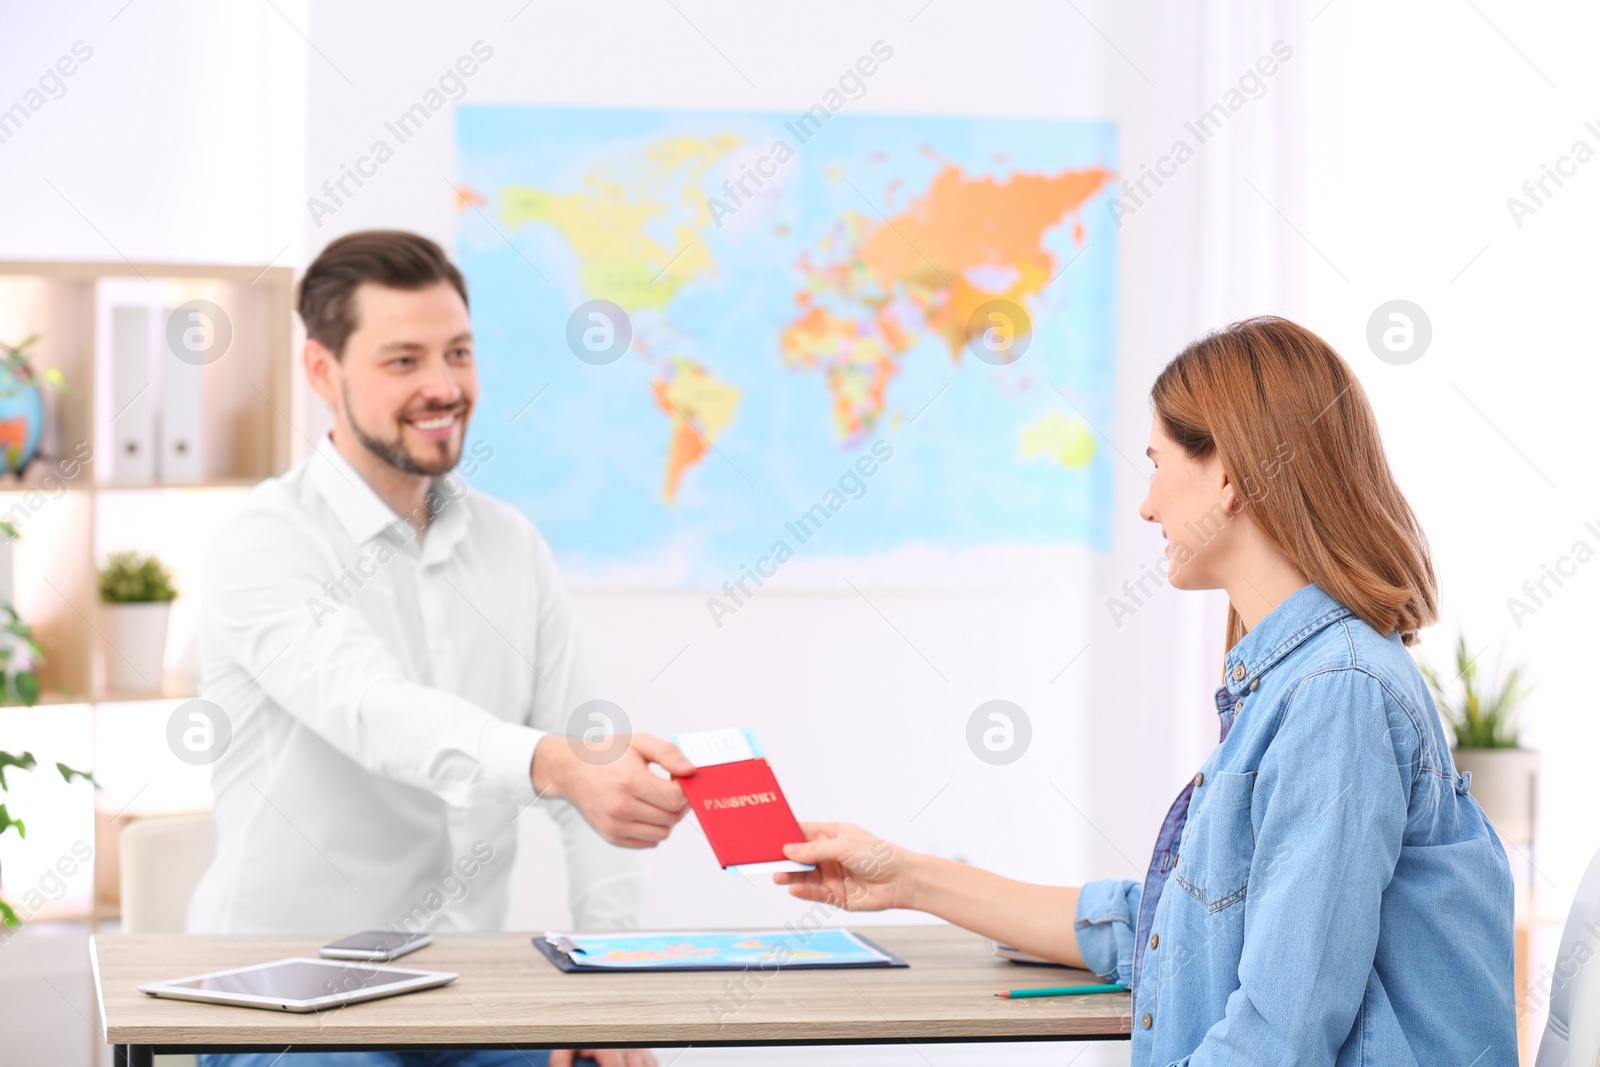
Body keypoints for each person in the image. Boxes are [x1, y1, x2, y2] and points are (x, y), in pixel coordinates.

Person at [776, 317, 1517, 1065]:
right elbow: (1165, 932)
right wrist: (905, 875)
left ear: (1226, 475)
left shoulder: (1337, 693)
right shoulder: (1301, 686)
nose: (1147, 505)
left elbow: (1280, 1036)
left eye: (1158, 462)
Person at [190, 230, 694, 1067]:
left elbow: (587, 762)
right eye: (403, 360)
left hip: (459, 994)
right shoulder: (262, 543)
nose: (443, 386)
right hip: (283, 997)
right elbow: (376, 711)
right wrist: (555, 762)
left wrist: (612, 992)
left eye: (458, 352)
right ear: (322, 372)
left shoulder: (510, 544)